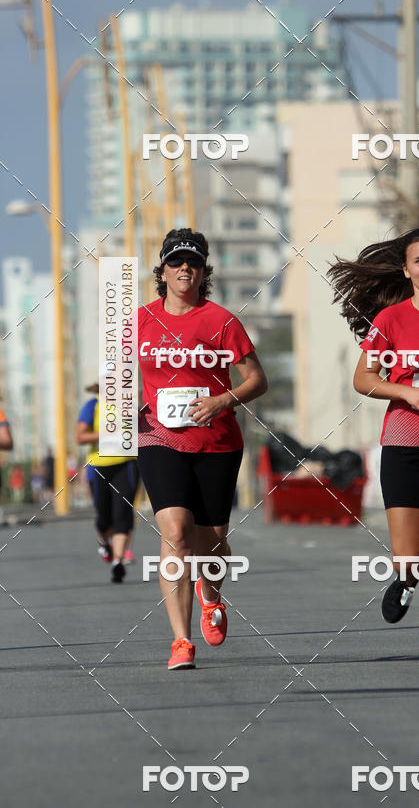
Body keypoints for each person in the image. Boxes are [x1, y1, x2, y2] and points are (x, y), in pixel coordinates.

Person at [329, 228, 419, 666]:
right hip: (403, 446)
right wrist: (407, 392)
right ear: (407, 269)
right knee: (410, 557)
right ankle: (405, 579)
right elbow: (363, 378)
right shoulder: (391, 320)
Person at [137, 228, 267, 670]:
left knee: (211, 542)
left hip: (217, 441)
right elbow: (116, 373)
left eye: (192, 261)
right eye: (175, 262)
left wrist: (221, 400)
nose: (184, 268)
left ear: (204, 270)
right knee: (174, 531)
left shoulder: (221, 321)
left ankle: (211, 596)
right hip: (158, 436)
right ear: (162, 271)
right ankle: (180, 640)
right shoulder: (138, 320)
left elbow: (256, 379)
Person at [76, 384, 140, 583]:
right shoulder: (93, 406)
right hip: (99, 465)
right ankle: (104, 540)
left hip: (127, 463)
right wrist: (108, 434)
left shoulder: (129, 404)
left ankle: (118, 562)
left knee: (123, 512)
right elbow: (80, 436)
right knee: (104, 516)